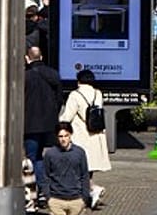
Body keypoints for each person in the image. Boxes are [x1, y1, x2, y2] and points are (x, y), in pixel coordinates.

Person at [58, 68, 111, 203]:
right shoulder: (97, 93)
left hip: (81, 135)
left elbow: (67, 116)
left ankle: (92, 189)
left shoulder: (75, 95)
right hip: (95, 134)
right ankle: (88, 193)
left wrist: (58, 125)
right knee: (89, 166)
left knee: (77, 165)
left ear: (79, 81)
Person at [23, 45, 62, 204]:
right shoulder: (53, 74)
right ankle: (45, 190)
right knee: (41, 156)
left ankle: (37, 191)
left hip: (30, 124)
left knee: (32, 158)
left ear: (27, 58)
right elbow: (59, 99)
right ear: (41, 57)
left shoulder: (25, 76)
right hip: (49, 124)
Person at [42, 122, 93, 215]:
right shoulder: (50, 154)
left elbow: (85, 175)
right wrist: (48, 197)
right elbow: (45, 176)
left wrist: (84, 197)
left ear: (71, 135)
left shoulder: (79, 152)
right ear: (57, 137)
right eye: (60, 136)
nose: (63, 139)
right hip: (56, 200)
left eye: (66, 136)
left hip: (76, 200)